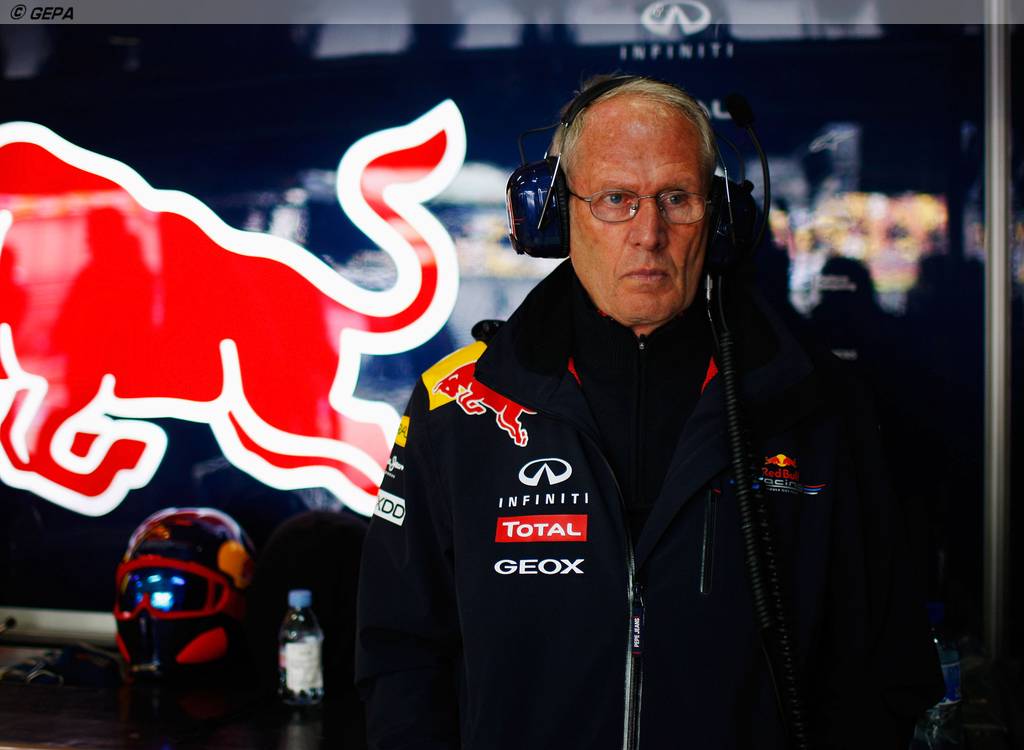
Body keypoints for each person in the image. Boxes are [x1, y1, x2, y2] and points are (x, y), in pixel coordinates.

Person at [355, 75, 943, 749]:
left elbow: (886, 666)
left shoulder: (819, 406)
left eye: (676, 199)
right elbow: (401, 658)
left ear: (720, 219)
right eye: (616, 199)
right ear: (555, 215)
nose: (649, 233)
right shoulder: (457, 406)